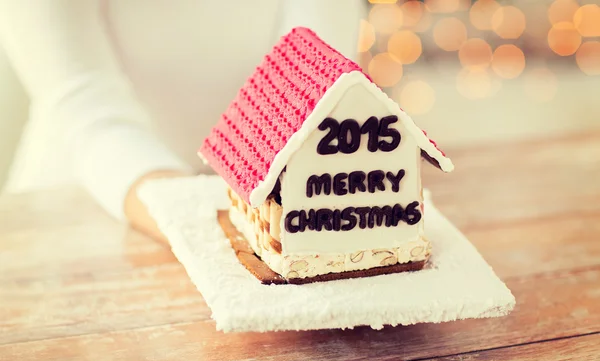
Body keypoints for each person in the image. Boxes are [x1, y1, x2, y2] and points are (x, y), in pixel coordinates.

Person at [0, 0, 365, 243]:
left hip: (255, 210)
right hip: (75, 219)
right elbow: (86, 104)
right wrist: (206, 223)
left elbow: (312, 76)